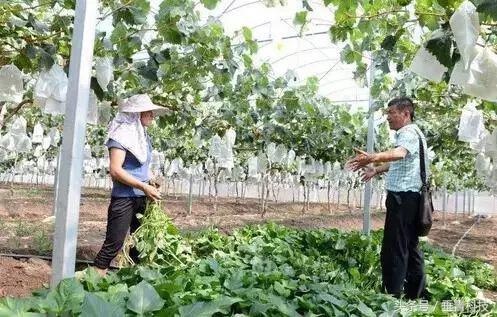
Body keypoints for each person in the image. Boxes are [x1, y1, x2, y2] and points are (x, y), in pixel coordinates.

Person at [346, 97, 428, 299]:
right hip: (410, 199)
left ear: (406, 114)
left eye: (392, 113)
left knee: (395, 247)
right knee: (410, 245)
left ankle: (391, 296)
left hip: (403, 199)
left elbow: (399, 154)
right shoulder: (415, 134)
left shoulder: (407, 133)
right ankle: (415, 294)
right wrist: (377, 170)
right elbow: (401, 162)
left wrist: (372, 157)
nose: (388, 117)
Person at [93, 94, 165, 275]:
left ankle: (135, 285)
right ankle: (91, 284)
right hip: (125, 198)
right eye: (148, 112)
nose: (152, 116)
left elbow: (140, 168)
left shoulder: (142, 137)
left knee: (139, 245)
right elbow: (116, 170)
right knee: (114, 244)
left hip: (142, 197)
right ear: (137, 114)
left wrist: (151, 180)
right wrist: (143, 186)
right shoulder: (121, 136)